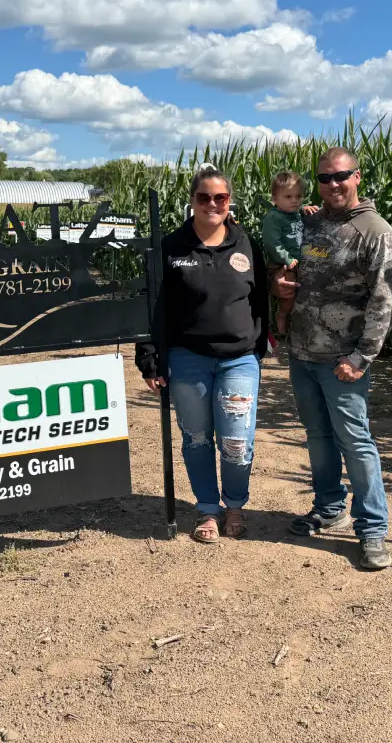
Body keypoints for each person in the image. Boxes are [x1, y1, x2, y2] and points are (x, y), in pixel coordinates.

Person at [273, 147, 392, 570]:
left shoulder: (375, 232)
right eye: (324, 178)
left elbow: (385, 300)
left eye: (341, 176)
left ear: (357, 176)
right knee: (318, 437)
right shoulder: (309, 224)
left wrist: (362, 357)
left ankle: (372, 530)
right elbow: (284, 258)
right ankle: (329, 508)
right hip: (303, 353)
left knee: (356, 443)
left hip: (342, 361)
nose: (333, 184)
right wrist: (279, 288)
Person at [135, 165, 269, 543]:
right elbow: (151, 305)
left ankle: (235, 505)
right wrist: (149, 357)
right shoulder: (170, 247)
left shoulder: (247, 244)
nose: (212, 204)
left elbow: (260, 299)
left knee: (236, 442)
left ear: (229, 201)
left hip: (238, 358)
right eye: (204, 197)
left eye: (220, 197)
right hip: (187, 357)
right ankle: (208, 509)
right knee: (196, 439)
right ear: (192, 200)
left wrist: (259, 344)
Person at [261, 170, 305, 336]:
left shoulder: (296, 214)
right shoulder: (274, 217)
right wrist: (286, 259)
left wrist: (306, 209)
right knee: (289, 292)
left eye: (298, 196)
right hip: (282, 263)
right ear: (274, 199)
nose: (294, 200)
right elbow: (272, 242)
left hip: (296, 261)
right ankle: (282, 315)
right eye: (288, 197)